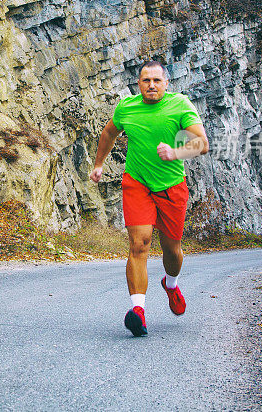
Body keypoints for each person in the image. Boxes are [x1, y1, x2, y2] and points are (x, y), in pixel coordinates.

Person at [89, 61, 209, 337]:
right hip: (137, 184)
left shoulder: (180, 105)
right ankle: (138, 311)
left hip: (171, 187)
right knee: (138, 245)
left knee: (172, 250)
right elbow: (109, 132)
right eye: (146, 80)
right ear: (138, 84)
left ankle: (171, 284)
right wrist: (99, 164)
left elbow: (202, 143)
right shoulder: (126, 108)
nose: (151, 85)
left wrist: (176, 151)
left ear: (166, 83)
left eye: (156, 80)